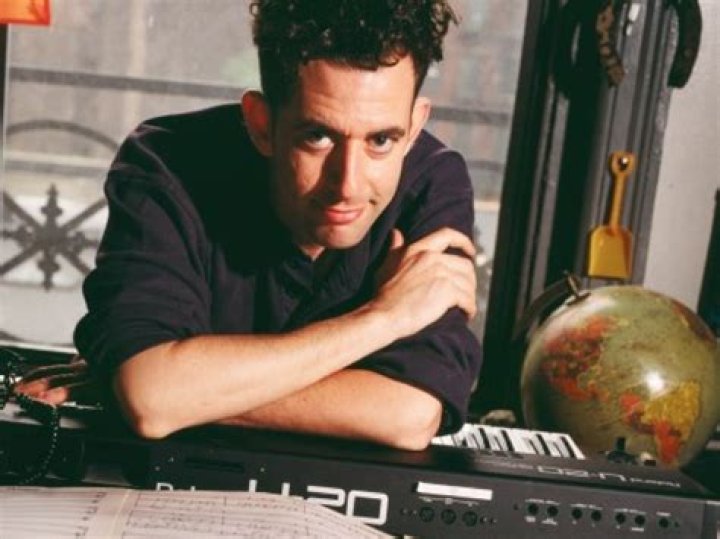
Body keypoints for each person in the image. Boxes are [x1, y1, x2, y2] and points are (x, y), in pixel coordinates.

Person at [17, 0, 482, 450]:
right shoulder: (167, 164)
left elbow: (408, 415)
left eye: (381, 140)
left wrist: (180, 392)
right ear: (261, 124)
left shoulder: (433, 183)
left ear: (414, 126)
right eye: (317, 137)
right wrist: (383, 319)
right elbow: (152, 397)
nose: (348, 183)